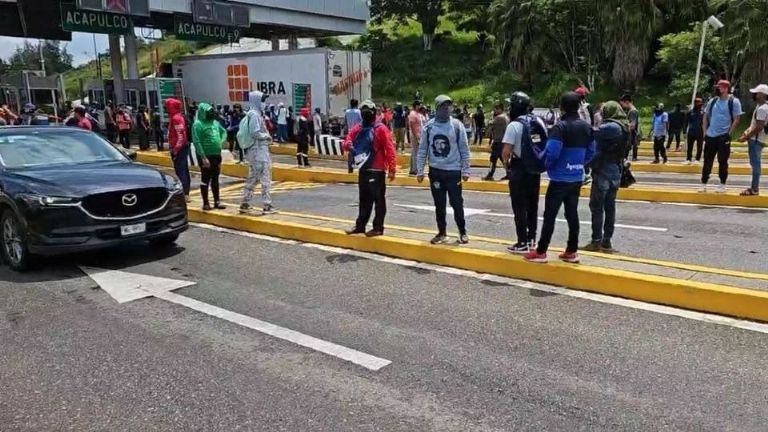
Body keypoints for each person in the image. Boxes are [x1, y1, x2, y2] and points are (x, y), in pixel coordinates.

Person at [524, 92, 595, 264]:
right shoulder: (587, 127)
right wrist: (579, 164)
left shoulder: (560, 128)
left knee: (550, 215)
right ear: (578, 107)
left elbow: (553, 152)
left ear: (562, 108)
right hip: (576, 178)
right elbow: (592, 151)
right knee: (572, 214)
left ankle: (541, 251)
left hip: (559, 179)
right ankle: (572, 251)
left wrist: (547, 166)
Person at [416, 95, 471, 245]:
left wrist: (466, 170)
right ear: (437, 108)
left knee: (457, 203)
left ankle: (462, 232)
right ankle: (442, 232)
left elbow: (464, 149)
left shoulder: (457, 125)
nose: (446, 109)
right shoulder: (429, 127)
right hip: (436, 171)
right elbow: (422, 150)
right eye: (443, 106)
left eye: (448, 106)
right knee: (439, 204)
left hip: (453, 171)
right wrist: (420, 170)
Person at [502, 92, 548, 253]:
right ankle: (532, 240)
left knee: (519, 207)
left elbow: (506, 152)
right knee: (532, 206)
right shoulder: (539, 121)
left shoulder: (514, 125)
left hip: (519, 168)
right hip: (534, 168)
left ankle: (521, 241)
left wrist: (507, 166)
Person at [342, 100, 397, 237]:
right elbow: (390, 149)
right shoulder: (377, 128)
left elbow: (346, 142)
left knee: (374, 200)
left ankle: (375, 227)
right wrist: (392, 168)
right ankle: (363, 226)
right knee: (369, 200)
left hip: (370, 169)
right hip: (371, 169)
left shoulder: (364, 128)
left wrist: (392, 168)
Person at [583, 101, 629, 253]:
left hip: (603, 170)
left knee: (597, 206)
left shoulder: (610, 127)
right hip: (616, 170)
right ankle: (607, 240)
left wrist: (587, 164)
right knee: (610, 207)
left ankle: (596, 240)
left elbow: (590, 133)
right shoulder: (624, 126)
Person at [239, 90, 277, 215]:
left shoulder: (254, 114)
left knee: (256, 177)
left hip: (258, 151)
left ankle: (247, 203)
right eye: (262, 100)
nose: (264, 103)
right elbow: (254, 133)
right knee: (262, 177)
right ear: (256, 101)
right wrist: (266, 136)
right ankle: (266, 205)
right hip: (258, 151)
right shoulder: (254, 114)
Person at [700, 80, 742, 193]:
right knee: (707, 161)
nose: (717, 89)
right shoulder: (713, 101)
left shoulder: (734, 101)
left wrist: (729, 133)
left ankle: (722, 184)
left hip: (723, 136)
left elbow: (737, 118)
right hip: (710, 135)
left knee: (723, 161)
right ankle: (704, 183)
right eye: (717, 87)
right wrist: (705, 132)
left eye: (720, 87)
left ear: (726, 88)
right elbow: (705, 116)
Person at [192, 102, 228, 211]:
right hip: (205, 156)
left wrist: (221, 141)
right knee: (205, 179)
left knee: (215, 179)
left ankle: (217, 201)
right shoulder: (198, 124)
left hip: (216, 155)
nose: (211, 114)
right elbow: (197, 141)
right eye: (209, 112)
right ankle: (206, 203)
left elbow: (224, 132)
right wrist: (203, 157)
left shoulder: (215, 123)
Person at [737, 84, 768, 196]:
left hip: (755, 140)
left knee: (755, 164)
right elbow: (755, 124)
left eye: (756, 93)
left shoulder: (762, 109)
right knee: (755, 163)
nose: (754, 95)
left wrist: (746, 137)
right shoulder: (761, 107)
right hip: (758, 139)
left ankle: (754, 189)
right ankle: (754, 188)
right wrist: (747, 131)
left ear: (762, 95)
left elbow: (759, 127)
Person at [165, 98, 191, 201]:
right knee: (183, 170)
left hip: (179, 148)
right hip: (181, 147)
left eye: (167, 106)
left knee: (181, 171)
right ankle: (186, 193)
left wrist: (175, 149)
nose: (166, 109)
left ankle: (184, 193)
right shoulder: (178, 117)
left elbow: (181, 136)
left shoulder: (176, 118)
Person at [483, 102, 510, 181]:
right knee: (504, 159)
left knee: (493, 159)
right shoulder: (506, 117)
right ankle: (509, 173)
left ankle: (490, 174)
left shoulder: (498, 118)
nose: (494, 110)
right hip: (504, 141)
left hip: (498, 142)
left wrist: (491, 118)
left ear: (500, 109)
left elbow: (489, 126)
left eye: (496, 109)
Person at [619, 95, 641, 161]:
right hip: (632, 135)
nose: (622, 106)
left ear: (627, 102)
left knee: (626, 152)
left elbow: (632, 125)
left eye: (622, 104)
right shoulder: (632, 111)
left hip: (632, 135)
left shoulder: (633, 112)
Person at [685, 98, 705, 164]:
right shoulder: (690, 112)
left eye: (700, 103)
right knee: (690, 146)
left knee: (699, 146)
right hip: (691, 131)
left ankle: (697, 159)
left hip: (700, 131)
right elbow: (686, 122)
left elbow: (706, 122)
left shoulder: (703, 113)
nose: (699, 104)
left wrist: (706, 131)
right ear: (695, 103)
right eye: (697, 102)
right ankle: (688, 159)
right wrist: (684, 131)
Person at [408, 100, 424, 175]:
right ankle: (414, 169)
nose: (420, 106)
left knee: (416, 152)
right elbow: (412, 125)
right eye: (418, 105)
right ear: (415, 106)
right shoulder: (412, 113)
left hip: (419, 134)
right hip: (415, 135)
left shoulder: (418, 114)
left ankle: (413, 168)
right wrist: (415, 135)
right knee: (415, 152)